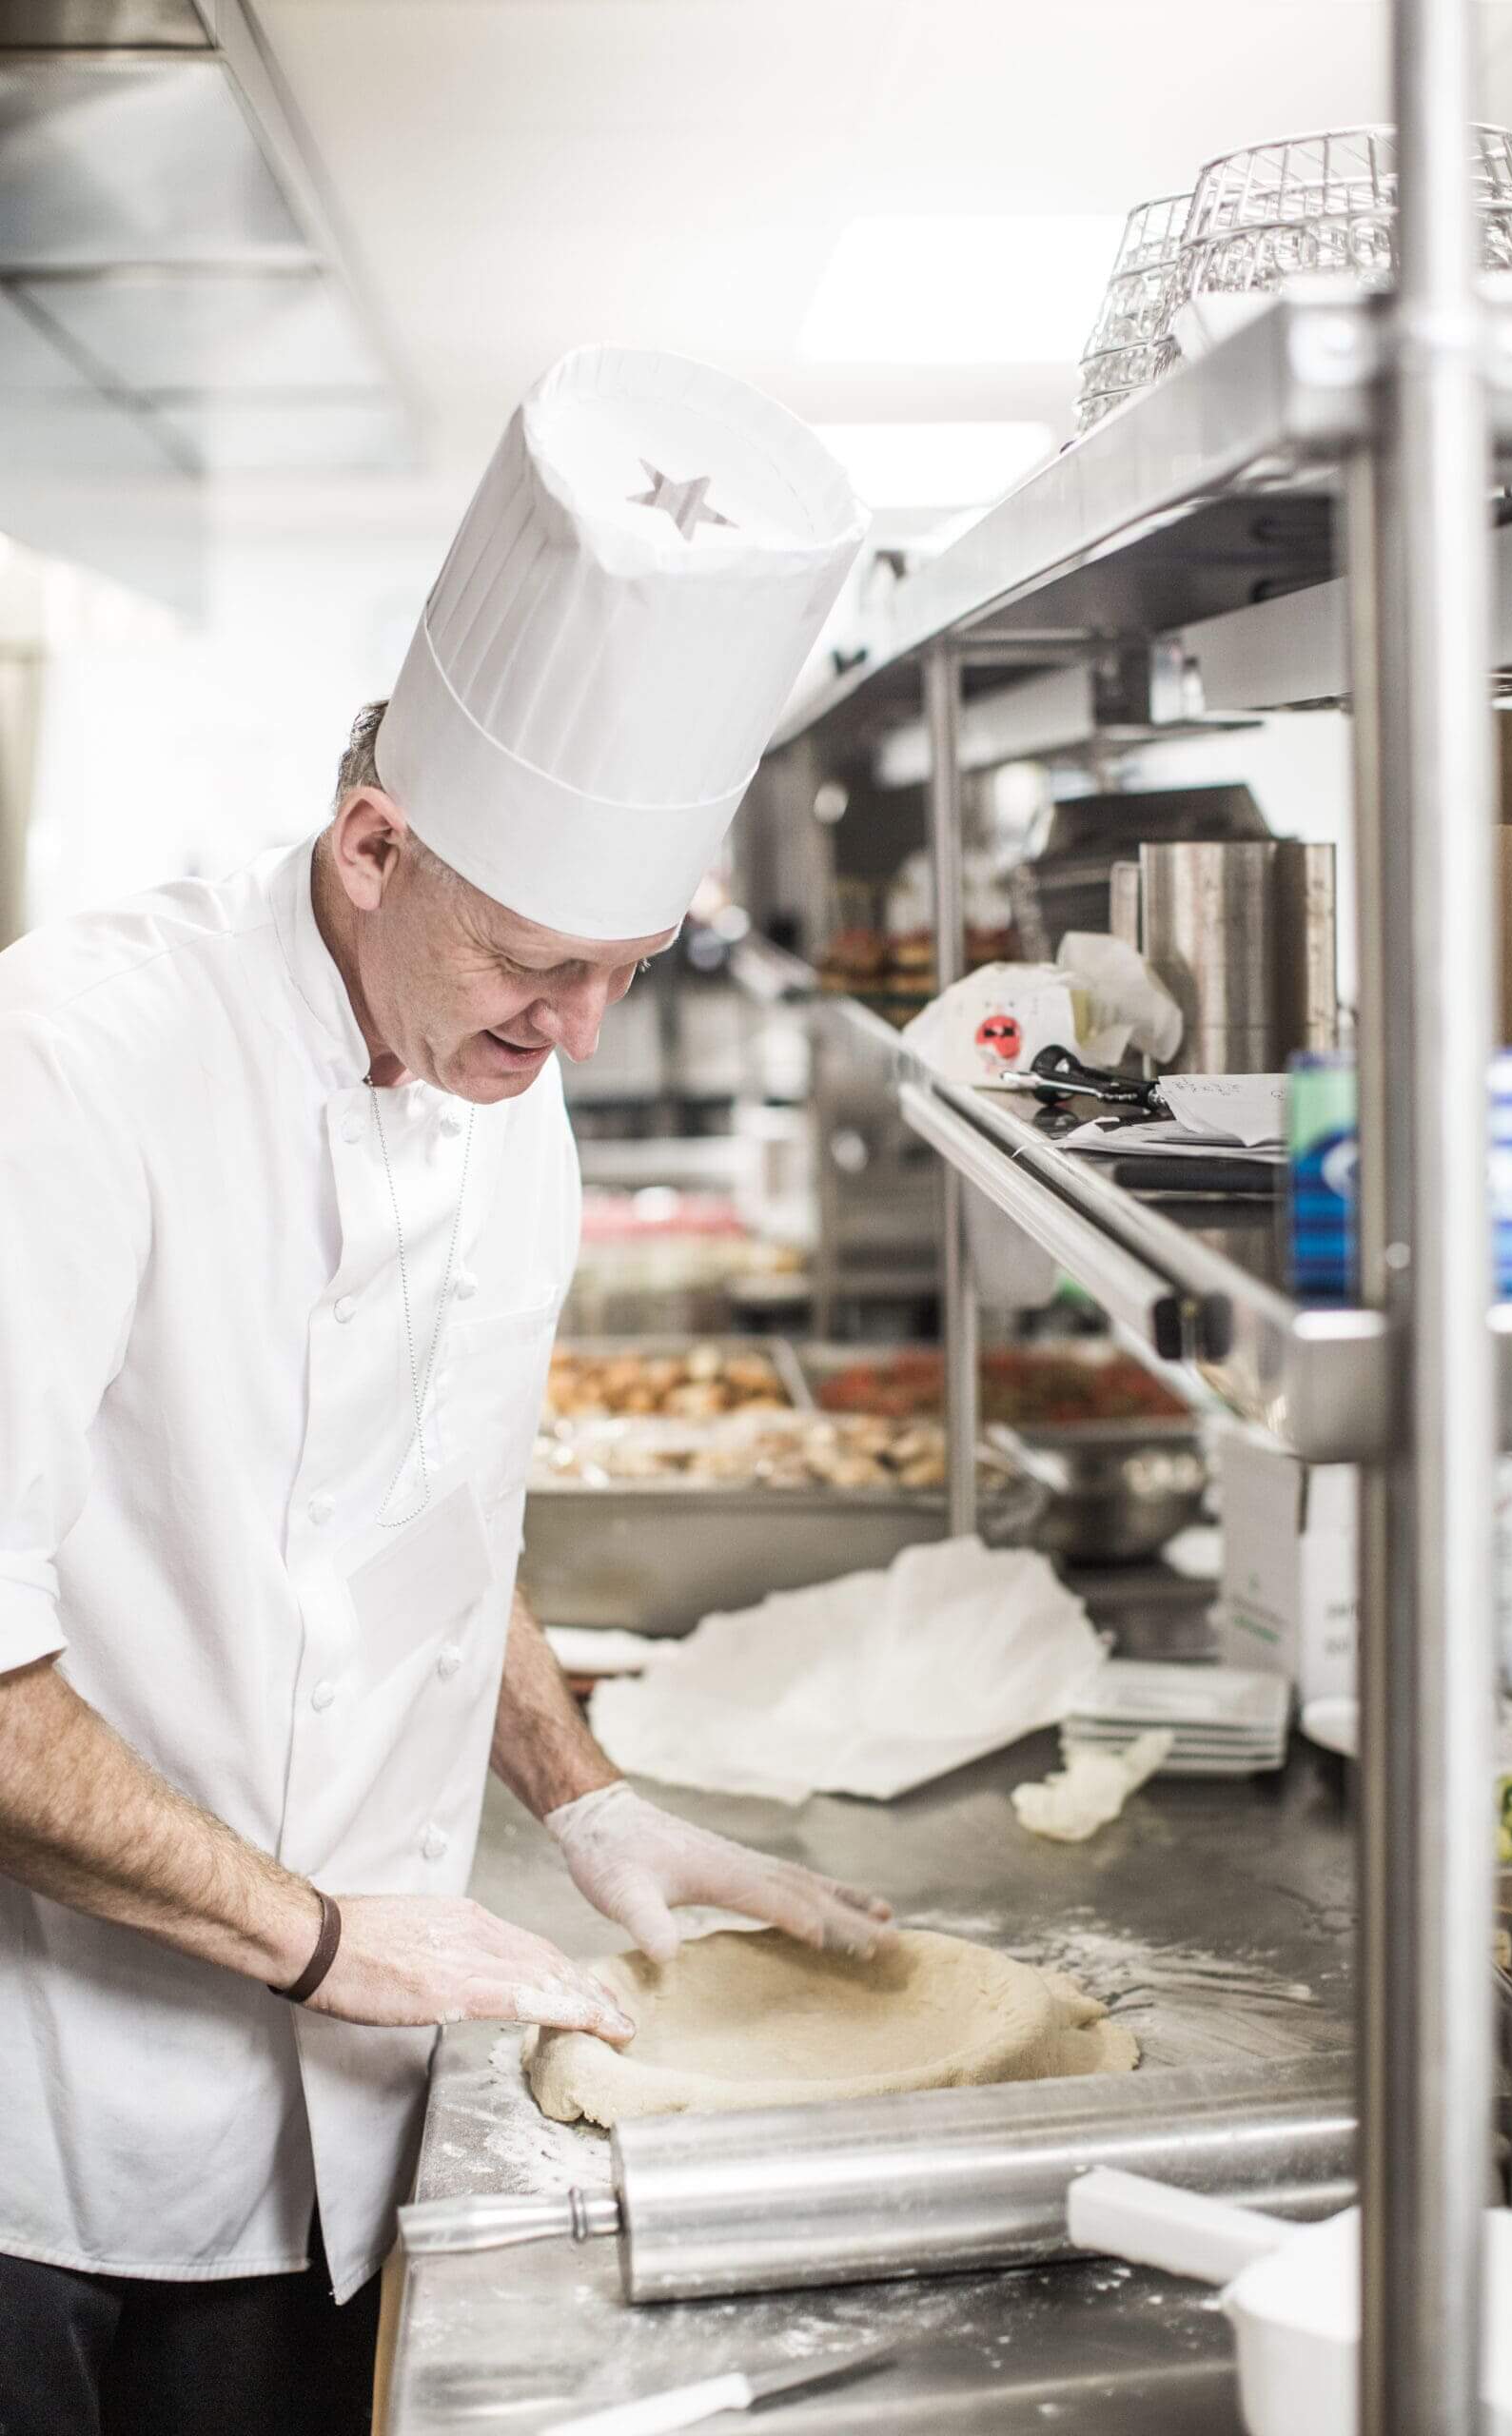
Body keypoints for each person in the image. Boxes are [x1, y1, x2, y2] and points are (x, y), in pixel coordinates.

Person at [0, 346, 875, 2436]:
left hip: (366, 2115)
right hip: (53, 2129)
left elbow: (418, 1503)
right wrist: (320, 1940)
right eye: (532, 969)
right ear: (376, 839)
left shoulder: (507, 1073)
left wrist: (579, 1792)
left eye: (627, 966)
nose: (575, 1032)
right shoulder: (75, 1063)